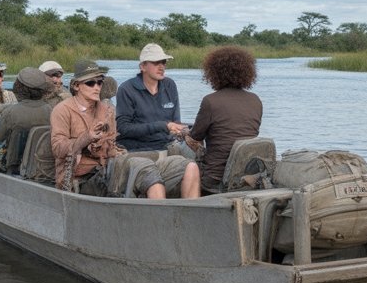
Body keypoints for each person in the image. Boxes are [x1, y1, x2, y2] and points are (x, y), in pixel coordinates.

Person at [115, 43, 200, 198]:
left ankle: (191, 215)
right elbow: (123, 129)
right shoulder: (126, 89)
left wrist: (186, 132)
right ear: (142, 67)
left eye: (163, 62)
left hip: (166, 148)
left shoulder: (169, 85)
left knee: (192, 167)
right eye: (156, 63)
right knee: (153, 181)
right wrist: (162, 126)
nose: (161, 67)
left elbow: (176, 122)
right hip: (137, 153)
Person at [188, 46, 263, 193]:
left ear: (213, 73)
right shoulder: (256, 100)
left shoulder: (210, 101)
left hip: (216, 179)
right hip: (246, 177)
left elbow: (195, 137)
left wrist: (184, 133)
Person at [50, 60, 119, 195]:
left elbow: (112, 146)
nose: (97, 87)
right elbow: (57, 148)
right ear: (76, 86)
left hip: (106, 168)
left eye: (100, 82)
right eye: (90, 83)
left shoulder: (107, 110)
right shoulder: (62, 110)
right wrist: (87, 137)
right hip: (77, 177)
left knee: (137, 168)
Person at [0, 67, 52, 173]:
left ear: (18, 86)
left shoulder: (10, 112)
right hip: (43, 166)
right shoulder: (50, 110)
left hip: (15, 167)